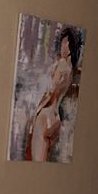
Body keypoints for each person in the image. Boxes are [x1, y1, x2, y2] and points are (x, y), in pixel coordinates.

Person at [25, 28, 78, 162]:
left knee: (37, 161)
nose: (62, 46)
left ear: (70, 46)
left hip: (47, 113)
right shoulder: (70, 69)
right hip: (56, 116)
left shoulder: (62, 64)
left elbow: (52, 92)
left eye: (65, 43)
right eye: (62, 43)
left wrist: (36, 113)